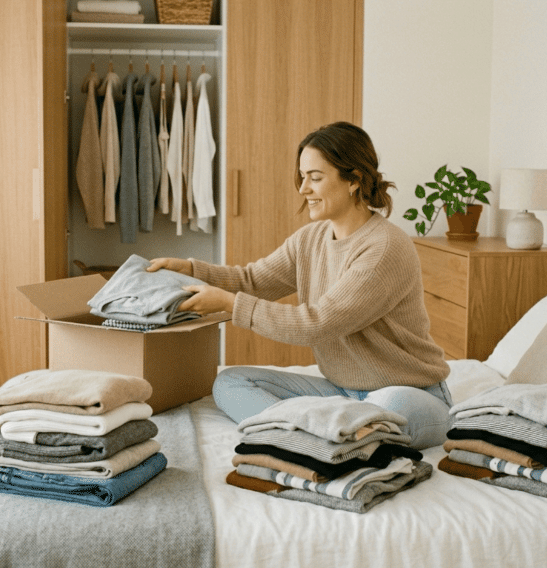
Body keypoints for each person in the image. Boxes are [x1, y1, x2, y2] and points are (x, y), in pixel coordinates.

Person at [146, 121, 452, 449]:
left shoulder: (384, 247)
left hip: (409, 393)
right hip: (342, 392)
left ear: (354, 180)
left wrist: (229, 305)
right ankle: (324, 435)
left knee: (389, 411)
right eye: (302, 177)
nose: (303, 188)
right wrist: (191, 269)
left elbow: (319, 323)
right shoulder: (310, 239)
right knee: (230, 383)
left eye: (315, 178)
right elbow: (251, 281)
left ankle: (316, 433)